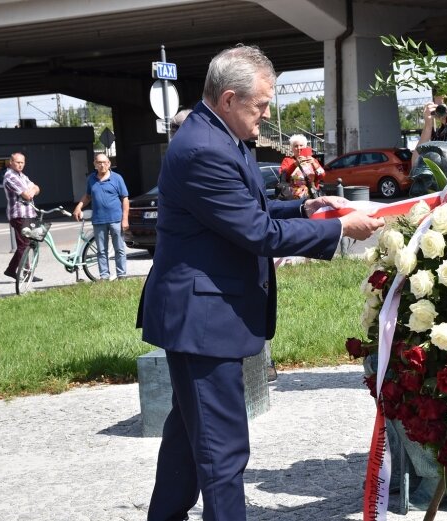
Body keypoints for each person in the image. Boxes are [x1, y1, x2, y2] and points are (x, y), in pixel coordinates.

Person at [138, 44, 383, 521]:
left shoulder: (218, 136)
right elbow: (257, 234)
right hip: (203, 320)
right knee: (222, 450)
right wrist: (337, 230)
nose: (266, 116)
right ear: (229, 98)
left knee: (191, 437)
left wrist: (304, 208)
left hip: (200, 315)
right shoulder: (207, 149)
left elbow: (246, 212)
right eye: (261, 106)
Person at [72, 153, 130, 280]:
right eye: (99, 162)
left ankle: (122, 275)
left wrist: (125, 219)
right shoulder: (91, 179)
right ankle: (104, 276)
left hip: (116, 219)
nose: (102, 165)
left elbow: (124, 199)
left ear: (109, 164)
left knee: (119, 249)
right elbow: (88, 196)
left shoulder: (117, 178)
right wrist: (79, 206)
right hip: (98, 219)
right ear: (95, 164)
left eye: (104, 162)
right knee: (101, 250)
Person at [2, 152, 42, 281]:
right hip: (19, 215)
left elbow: (37, 188)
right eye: (17, 162)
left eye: (22, 162)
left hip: (29, 213)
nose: (20, 165)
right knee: (24, 244)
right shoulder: (10, 176)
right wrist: (31, 191)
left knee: (27, 243)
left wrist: (32, 190)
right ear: (11, 162)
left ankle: (12, 270)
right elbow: (27, 195)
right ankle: (25, 273)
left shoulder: (22, 176)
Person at [411, 92, 447, 168]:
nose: (443, 110)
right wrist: (428, 125)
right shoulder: (439, 134)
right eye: (439, 107)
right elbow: (416, 164)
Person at [280, 134, 325, 199]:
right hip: (293, 197)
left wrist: (315, 165)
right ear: (292, 148)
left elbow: (322, 176)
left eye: (301, 145)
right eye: (296, 146)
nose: (299, 148)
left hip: (312, 195)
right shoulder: (287, 160)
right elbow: (283, 176)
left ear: (305, 147)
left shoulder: (313, 160)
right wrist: (295, 164)